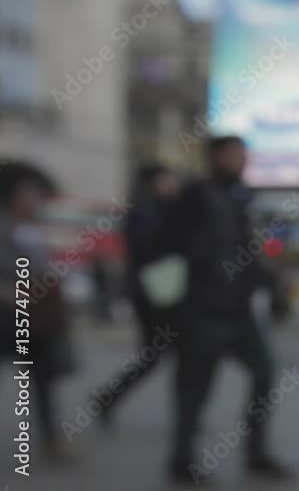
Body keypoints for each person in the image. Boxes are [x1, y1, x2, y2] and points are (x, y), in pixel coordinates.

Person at [160, 136, 293, 484]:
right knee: (195, 388)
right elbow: (168, 247)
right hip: (202, 309)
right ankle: (182, 458)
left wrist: (269, 288)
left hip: (238, 310)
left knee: (265, 371)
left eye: (245, 156)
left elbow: (247, 251)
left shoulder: (240, 197)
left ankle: (257, 453)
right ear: (218, 157)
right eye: (236, 156)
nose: (243, 162)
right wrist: (178, 303)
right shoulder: (196, 195)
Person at [0, 161, 75, 460]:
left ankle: (51, 439)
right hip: (6, 314)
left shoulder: (37, 230)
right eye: (27, 197)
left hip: (38, 315)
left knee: (43, 378)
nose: (33, 203)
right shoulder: (5, 227)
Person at [94, 163, 179, 427]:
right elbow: (149, 252)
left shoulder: (159, 209)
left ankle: (109, 398)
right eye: (168, 179)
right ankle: (108, 398)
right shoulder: (145, 212)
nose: (173, 185)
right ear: (155, 182)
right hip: (154, 294)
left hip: (161, 291)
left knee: (158, 356)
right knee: (156, 356)